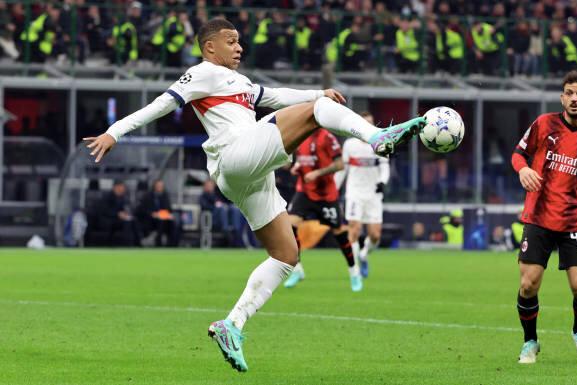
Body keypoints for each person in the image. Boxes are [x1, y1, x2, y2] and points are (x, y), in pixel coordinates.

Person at [83, 19, 425, 372]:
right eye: (230, 41)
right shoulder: (202, 72)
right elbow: (161, 104)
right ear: (209, 47)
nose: (239, 47)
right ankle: (378, 138)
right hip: (235, 155)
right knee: (317, 114)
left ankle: (232, 325)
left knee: (286, 254)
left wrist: (316, 93)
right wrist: (114, 132)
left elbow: (275, 96)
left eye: (239, 41)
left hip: (247, 173)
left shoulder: (240, 82)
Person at [511, 71, 577, 364]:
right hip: (538, 217)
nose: (575, 98)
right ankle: (530, 342)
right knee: (528, 285)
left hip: (574, 220)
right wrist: (523, 169)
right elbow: (518, 154)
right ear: (562, 97)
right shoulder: (543, 124)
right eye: (569, 93)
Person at [282, 129, 362, 292]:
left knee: (339, 233)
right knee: (289, 227)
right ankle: (297, 270)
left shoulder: (327, 137)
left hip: (326, 195)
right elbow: (301, 160)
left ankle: (354, 272)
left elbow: (340, 165)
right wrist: (296, 166)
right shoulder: (301, 134)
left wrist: (318, 172)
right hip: (304, 191)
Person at [336, 111, 389, 278]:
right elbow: (342, 169)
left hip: (373, 194)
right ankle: (355, 270)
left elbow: (385, 166)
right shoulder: (350, 144)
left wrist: (382, 182)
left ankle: (364, 255)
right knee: (355, 229)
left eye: (370, 123)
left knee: (375, 235)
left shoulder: (380, 142)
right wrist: (334, 188)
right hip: (355, 193)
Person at [96, 180, 142, 247]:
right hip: (109, 219)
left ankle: (138, 243)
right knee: (127, 223)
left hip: (120, 219)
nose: (124, 188)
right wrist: (118, 214)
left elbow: (127, 208)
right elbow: (104, 210)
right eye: (122, 187)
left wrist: (127, 214)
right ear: (116, 187)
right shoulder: (107, 197)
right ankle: (127, 244)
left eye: (123, 187)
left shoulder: (124, 197)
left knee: (134, 220)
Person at [137, 179, 179, 247]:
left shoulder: (165, 196)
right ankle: (158, 244)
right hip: (151, 220)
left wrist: (168, 214)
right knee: (160, 221)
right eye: (158, 186)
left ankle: (172, 245)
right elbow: (142, 210)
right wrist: (153, 214)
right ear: (154, 186)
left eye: (161, 186)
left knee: (174, 222)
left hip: (164, 218)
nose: (160, 187)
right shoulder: (148, 196)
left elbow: (168, 208)